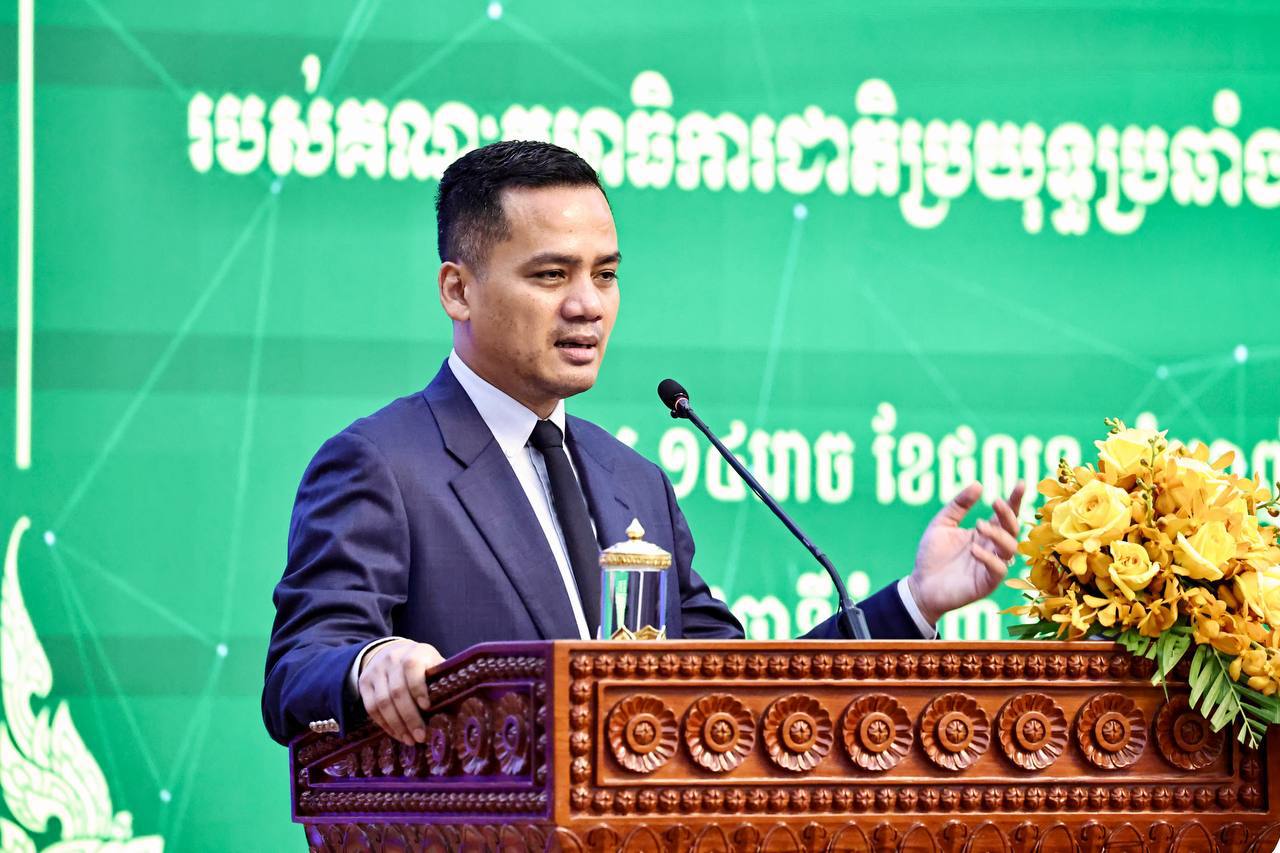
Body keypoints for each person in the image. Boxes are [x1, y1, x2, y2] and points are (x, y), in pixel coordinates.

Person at [262, 141, 1024, 747]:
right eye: (551, 274)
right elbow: (299, 667)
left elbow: (740, 692)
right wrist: (369, 661)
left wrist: (914, 602)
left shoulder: (632, 479)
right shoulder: (386, 463)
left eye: (605, 274)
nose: (587, 304)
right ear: (458, 289)